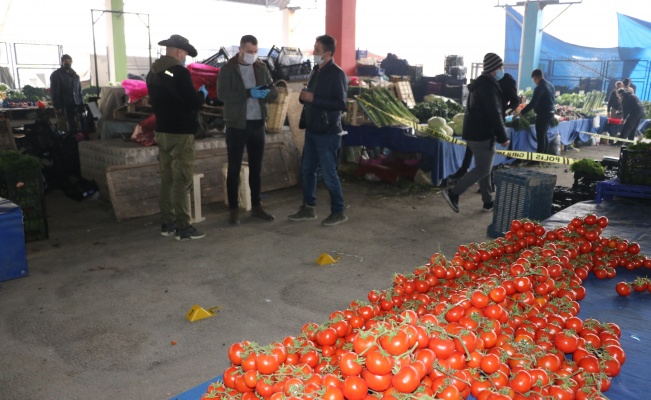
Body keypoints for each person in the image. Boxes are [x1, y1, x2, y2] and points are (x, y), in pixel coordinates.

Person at [147, 34, 207, 241]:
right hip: (181, 133)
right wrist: (202, 95)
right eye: (185, 55)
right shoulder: (179, 72)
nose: (185, 58)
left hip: (162, 131)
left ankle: (168, 223)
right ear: (180, 52)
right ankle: (183, 226)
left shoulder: (153, 72)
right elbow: (191, 102)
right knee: (182, 180)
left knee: (168, 179)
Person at [288, 34, 348, 226]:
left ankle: (338, 211)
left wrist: (314, 99)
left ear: (328, 53)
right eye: (314, 49)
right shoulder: (316, 71)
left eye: (317, 50)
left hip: (328, 131)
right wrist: (304, 97)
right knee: (307, 170)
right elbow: (311, 96)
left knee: (329, 173)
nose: (314, 53)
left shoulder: (336, 74)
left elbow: (340, 103)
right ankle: (308, 207)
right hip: (313, 129)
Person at [218, 34, 278, 225]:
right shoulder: (228, 69)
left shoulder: (260, 67)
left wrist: (265, 93)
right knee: (234, 168)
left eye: (255, 51)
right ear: (241, 50)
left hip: (257, 123)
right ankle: (234, 209)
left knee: (256, 167)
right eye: (249, 51)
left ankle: (257, 206)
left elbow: (274, 91)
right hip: (236, 124)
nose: (253, 55)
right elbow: (222, 94)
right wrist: (247, 93)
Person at [442, 53, 510, 214]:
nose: (502, 69)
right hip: (483, 134)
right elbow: (494, 113)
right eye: (500, 66)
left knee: (485, 167)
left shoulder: (479, 84)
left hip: (473, 132)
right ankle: (454, 193)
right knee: (483, 169)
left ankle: (488, 201)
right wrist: (503, 136)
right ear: (494, 68)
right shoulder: (489, 86)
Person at [449, 72, 519, 180]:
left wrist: (505, 111)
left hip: (496, 119)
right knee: (472, 144)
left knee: (488, 150)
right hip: (481, 118)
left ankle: (487, 181)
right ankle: (465, 169)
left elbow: (515, 101)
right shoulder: (485, 80)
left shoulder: (507, 80)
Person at [514, 69, 555, 155]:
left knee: (540, 136)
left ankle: (538, 158)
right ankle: (544, 156)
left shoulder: (539, 87)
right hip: (551, 113)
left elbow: (533, 103)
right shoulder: (550, 85)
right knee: (544, 135)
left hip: (543, 114)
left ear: (535, 78)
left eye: (534, 80)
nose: (534, 82)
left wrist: (522, 112)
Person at [50, 54, 84, 134]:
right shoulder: (56, 75)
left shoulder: (75, 76)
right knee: (63, 126)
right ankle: (65, 143)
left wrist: (81, 105)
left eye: (69, 61)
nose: (68, 63)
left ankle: (75, 141)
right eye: (66, 61)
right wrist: (57, 106)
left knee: (76, 125)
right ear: (62, 62)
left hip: (75, 104)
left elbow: (79, 91)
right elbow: (54, 91)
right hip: (63, 104)